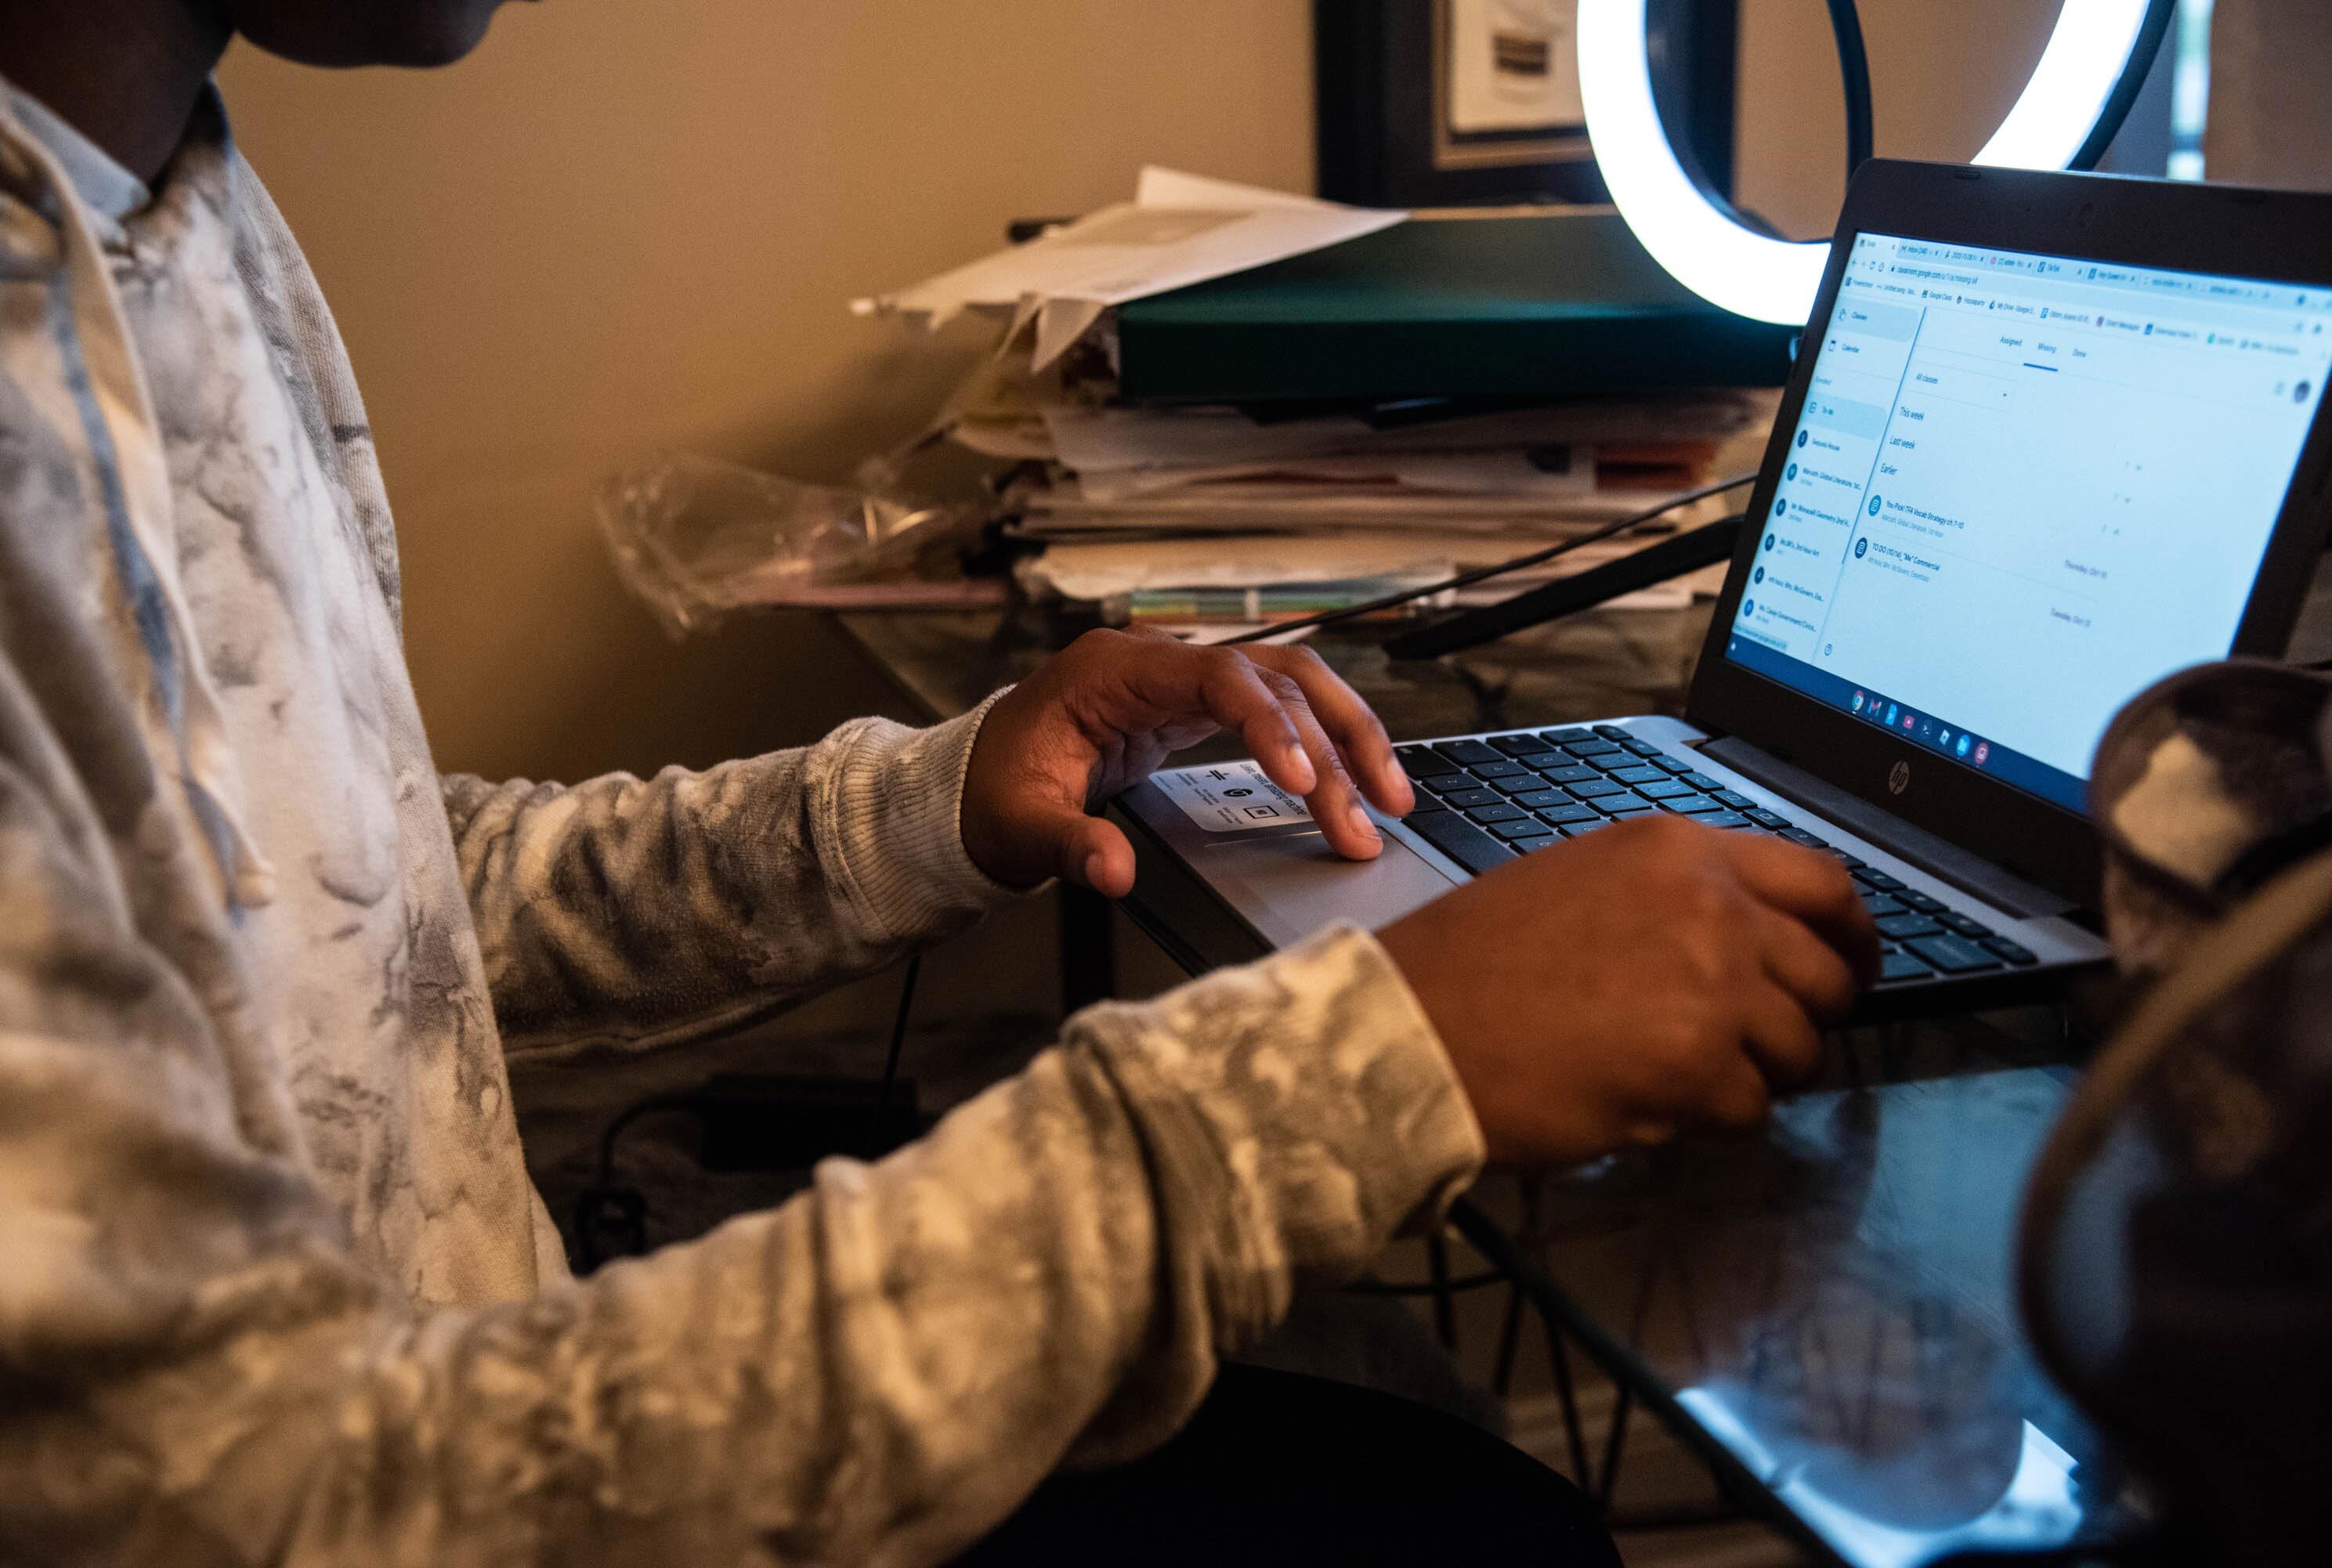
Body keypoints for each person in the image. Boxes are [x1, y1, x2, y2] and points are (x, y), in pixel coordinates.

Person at [0, 2, 1877, 1563]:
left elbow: (369, 909)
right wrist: (1372, 1066)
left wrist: (946, 790)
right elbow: (275, 1502)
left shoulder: (177, 197)